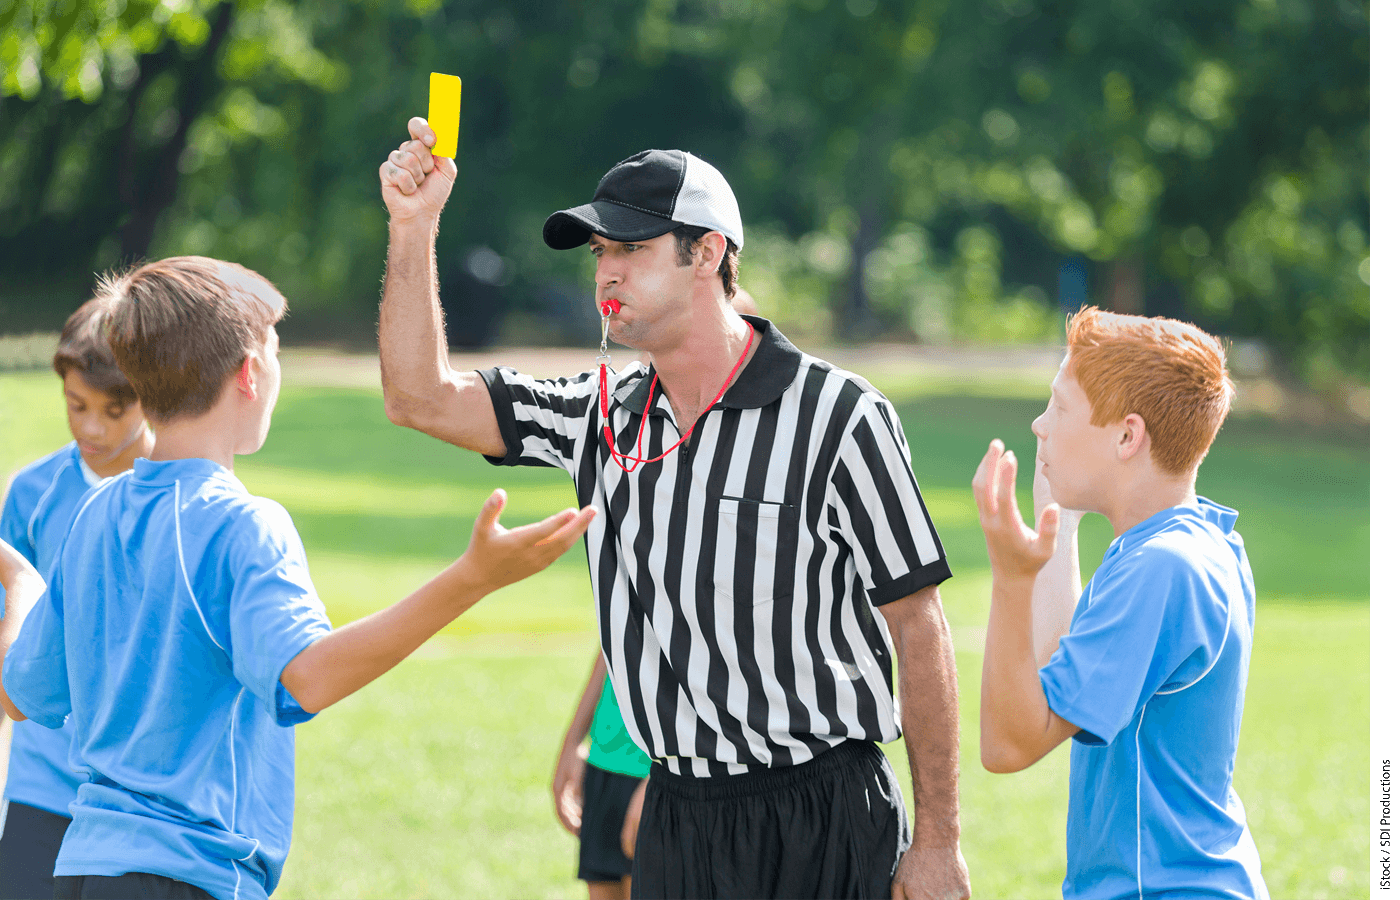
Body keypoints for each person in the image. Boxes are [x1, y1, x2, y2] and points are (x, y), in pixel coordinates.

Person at [378, 119, 971, 900]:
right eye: (600, 253)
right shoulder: (599, 415)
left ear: (710, 252)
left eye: (632, 248)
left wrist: (938, 840)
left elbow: (917, 623)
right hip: (678, 819)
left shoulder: (839, 414)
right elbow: (419, 398)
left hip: (825, 811)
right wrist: (414, 227)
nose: (607, 275)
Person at [0, 256, 596, 900]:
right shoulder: (240, 524)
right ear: (250, 374)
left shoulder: (93, 514)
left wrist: (25, 587)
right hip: (185, 875)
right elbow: (308, 677)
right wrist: (472, 579)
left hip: (82, 869)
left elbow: (22, 693)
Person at [973, 306, 1269, 899]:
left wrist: (1012, 579)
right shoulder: (1183, 544)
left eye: (1059, 407)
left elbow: (1011, 744)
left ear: (1127, 436)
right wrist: (1054, 520)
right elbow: (1064, 674)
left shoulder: (1161, 569)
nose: (1039, 424)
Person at [550, 288, 760, 900]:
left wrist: (665, 781)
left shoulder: (742, 518)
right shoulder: (644, 487)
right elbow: (616, 641)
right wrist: (576, 743)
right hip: (613, 758)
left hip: (678, 773)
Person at [0, 296, 156, 900]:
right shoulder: (33, 491)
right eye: (77, 405)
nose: (92, 427)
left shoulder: (180, 494)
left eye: (116, 410)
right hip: (41, 783)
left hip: (135, 795)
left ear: (155, 394)